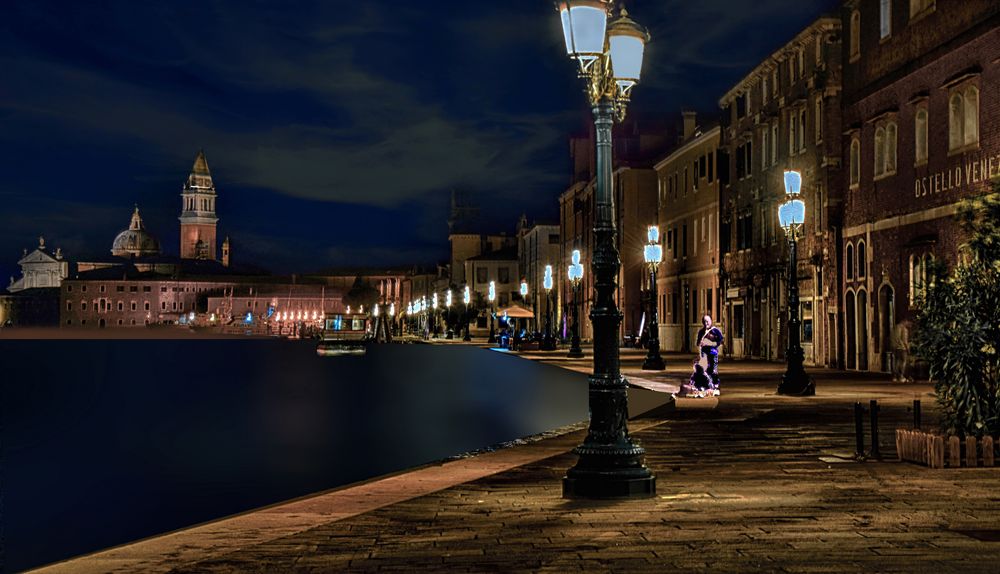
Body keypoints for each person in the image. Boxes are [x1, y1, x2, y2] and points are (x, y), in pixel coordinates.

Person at [695, 315, 724, 394]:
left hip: (713, 353)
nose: (706, 323)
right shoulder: (701, 332)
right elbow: (698, 342)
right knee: (703, 369)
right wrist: (700, 343)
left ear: (711, 321)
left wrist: (712, 343)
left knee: (713, 370)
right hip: (704, 354)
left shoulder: (715, 331)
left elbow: (721, 340)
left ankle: (715, 385)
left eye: (707, 321)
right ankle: (705, 385)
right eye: (704, 321)